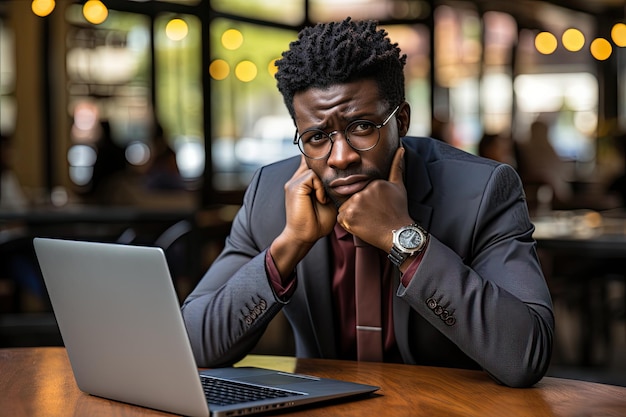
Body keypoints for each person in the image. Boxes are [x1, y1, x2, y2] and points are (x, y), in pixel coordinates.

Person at [182, 18, 554, 388]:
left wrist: (405, 240)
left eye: (361, 127)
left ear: (402, 121)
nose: (340, 157)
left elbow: (525, 355)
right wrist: (289, 246)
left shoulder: (481, 191)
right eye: (316, 136)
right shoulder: (269, 194)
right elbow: (191, 345)